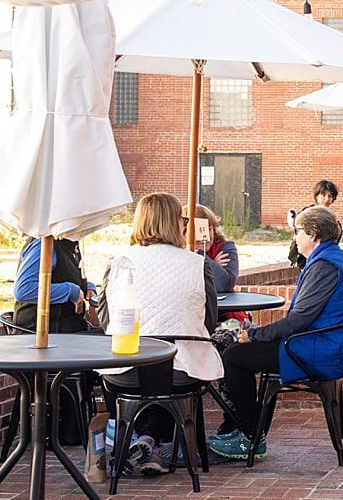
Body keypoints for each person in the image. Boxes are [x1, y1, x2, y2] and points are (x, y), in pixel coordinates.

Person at [208, 205, 343, 461]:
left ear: (313, 233)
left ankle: (249, 436)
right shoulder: (332, 256)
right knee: (245, 353)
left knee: (234, 356)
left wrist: (258, 334)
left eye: (297, 232)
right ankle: (253, 432)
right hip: (329, 343)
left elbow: (299, 319)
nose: (295, 237)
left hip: (320, 349)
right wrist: (261, 333)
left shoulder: (324, 264)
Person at [98, 192, 222, 476]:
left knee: (145, 378)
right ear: (174, 222)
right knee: (170, 380)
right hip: (181, 369)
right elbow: (210, 320)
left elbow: (106, 320)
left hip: (125, 368)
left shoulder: (117, 262)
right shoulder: (197, 264)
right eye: (183, 219)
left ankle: (146, 441)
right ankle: (155, 444)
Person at [13, 236, 95, 333]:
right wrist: (70, 291)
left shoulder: (67, 241)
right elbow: (23, 290)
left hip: (68, 327)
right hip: (42, 331)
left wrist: (87, 287)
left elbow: (64, 273)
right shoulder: (44, 243)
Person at [287, 180, 339, 267]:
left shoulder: (331, 217)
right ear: (316, 196)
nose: (327, 199)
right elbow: (297, 237)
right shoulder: (307, 214)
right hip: (306, 260)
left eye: (330, 196)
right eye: (323, 195)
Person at [193, 205, 238, 293]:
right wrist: (213, 266)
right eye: (199, 230)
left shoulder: (225, 247)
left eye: (209, 229)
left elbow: (224, 285)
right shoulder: (178, 250)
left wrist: (200, 254)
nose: (206, 236)